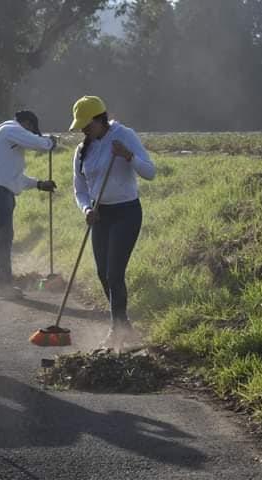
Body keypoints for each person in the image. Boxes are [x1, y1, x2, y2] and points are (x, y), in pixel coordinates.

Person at [69, 96, 156, 350]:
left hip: (126, 213)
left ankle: (116, 331)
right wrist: (86, 208)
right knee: (102, 274)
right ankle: (124, 325)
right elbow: (79, 189)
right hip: (100, 215)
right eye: (81, 126)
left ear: (100, 119)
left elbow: (150, 172)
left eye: (87, 124)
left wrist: (128, 156)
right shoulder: (82, 150)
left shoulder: (124, 135)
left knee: (114, 273)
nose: (83, 130)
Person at [0, 110, 57, 299]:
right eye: (31, 129)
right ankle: (3, 285)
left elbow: (16, 178)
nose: (30, 133)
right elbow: (38, 143)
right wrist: (50, 143)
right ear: (26, 123)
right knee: (4, 238)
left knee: (1, 238)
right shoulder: (10, 129)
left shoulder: (9, 144)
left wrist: (39, 184)